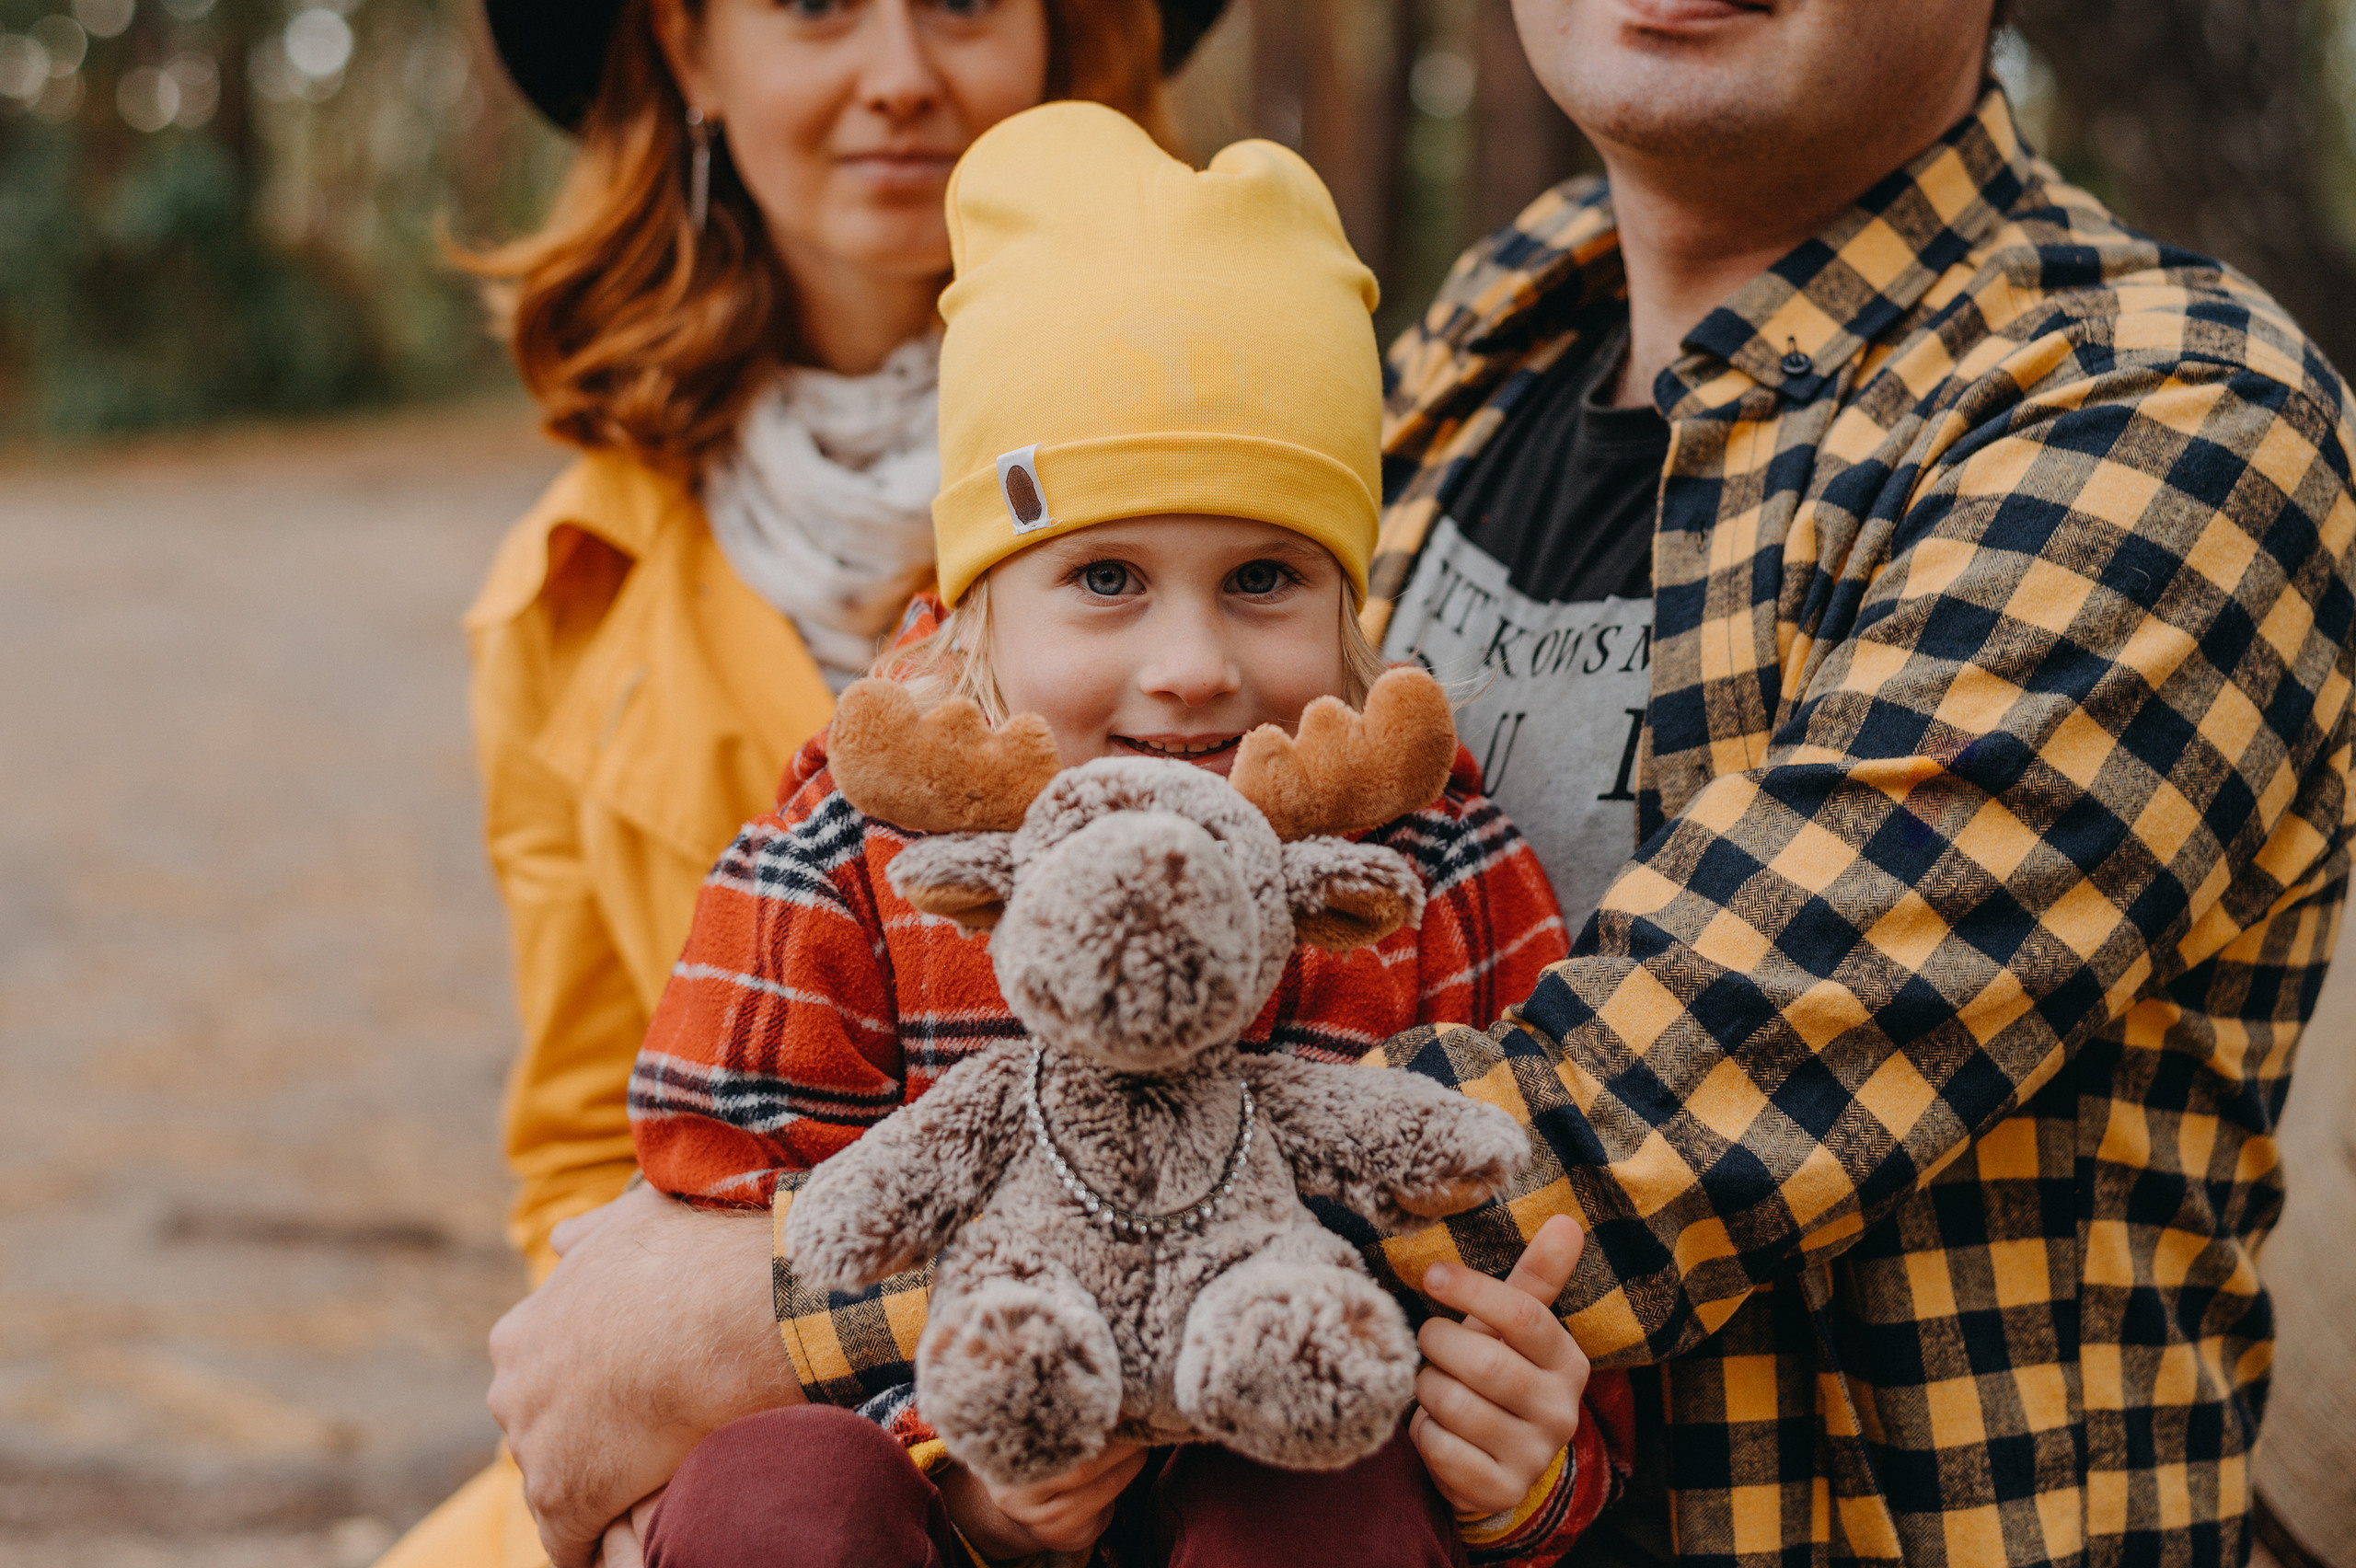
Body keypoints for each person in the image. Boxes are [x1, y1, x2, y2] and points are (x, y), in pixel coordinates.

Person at [488, 3, 2356, 1565]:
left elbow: (1624, 1128)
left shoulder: (2155, 428)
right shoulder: (1469, 355)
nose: (1191, 660)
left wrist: (753, 1319)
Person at [624, 100, 1630, 1568]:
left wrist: (1532, 1472)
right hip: (937, 1502)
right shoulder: (847, 862)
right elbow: (723, 1236)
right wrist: (965, 1467)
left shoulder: (1433, 868)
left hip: (1289, 1459)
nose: (1192, 666)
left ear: (1350, 605)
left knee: (1324, 1497)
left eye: (1265, 578)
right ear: (980, 606)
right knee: (769, 1490)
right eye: (1105, 578)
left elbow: (1534, 1248)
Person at [377, 4, 1216, 1566]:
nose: (898, 74)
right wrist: (646, 1476)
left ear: (1061, 35)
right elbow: (586, 1149)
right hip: (762, 1466)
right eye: (817, 1)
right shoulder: (570, 590)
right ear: (690, 49)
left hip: (1179, 1424)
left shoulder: (1247, 478)